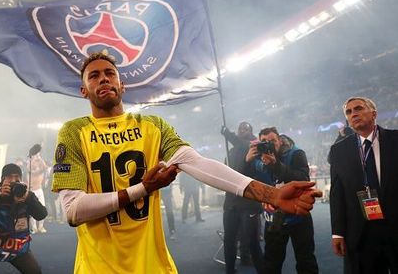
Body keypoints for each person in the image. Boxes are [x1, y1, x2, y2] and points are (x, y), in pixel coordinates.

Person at [51, 51, 320, 274]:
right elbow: (73, 210)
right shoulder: (74, 131)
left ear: (122, 85)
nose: (104, 79)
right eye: (94, 76)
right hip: (98, 267)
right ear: (84, 90)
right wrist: (142, 189)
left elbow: (198, 163)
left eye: (110, 73)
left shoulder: (152, 125)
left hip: (154, 266)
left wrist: (272, 194)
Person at [329, 97, 398, 273]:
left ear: (374, 113)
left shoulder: (395, 139)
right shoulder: (338, 150)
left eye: (358, 108)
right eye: (349, 112)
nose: (354, 114)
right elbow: (337, 194)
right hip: (361, 233)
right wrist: (338, 232)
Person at [247, 127, 318, 274]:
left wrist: (276, 165)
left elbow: (303, 179)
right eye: (264, 141)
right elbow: (245, 182)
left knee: (306, 262)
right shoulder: (256, 158)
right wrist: (246, 161)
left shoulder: (296, 153)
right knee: (271, 263)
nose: (269, 144)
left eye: (272, 140)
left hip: (298, 215)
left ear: (280, 140)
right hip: (273, 217)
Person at [221, 122, 263, 274]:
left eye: (246, 128)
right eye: (240, 128)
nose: (242, 130)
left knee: (252, 241)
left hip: (248, 201)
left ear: (251, 131)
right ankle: (230, 270)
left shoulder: (254, 146)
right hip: (231, 201)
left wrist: (227, 133)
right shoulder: (232, 151)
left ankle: (259, 268)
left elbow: (243, 173)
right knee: (229, 240)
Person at [28, 152, 48, 233]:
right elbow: (30, 167)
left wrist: (40, 158)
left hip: (39, 190)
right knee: (32, 209)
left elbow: (45, 167)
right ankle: (34, 228)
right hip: (32, 190)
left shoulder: (41, 170)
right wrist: (34, 158)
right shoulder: (30, 170)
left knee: (43, 207)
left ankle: (41, 227)